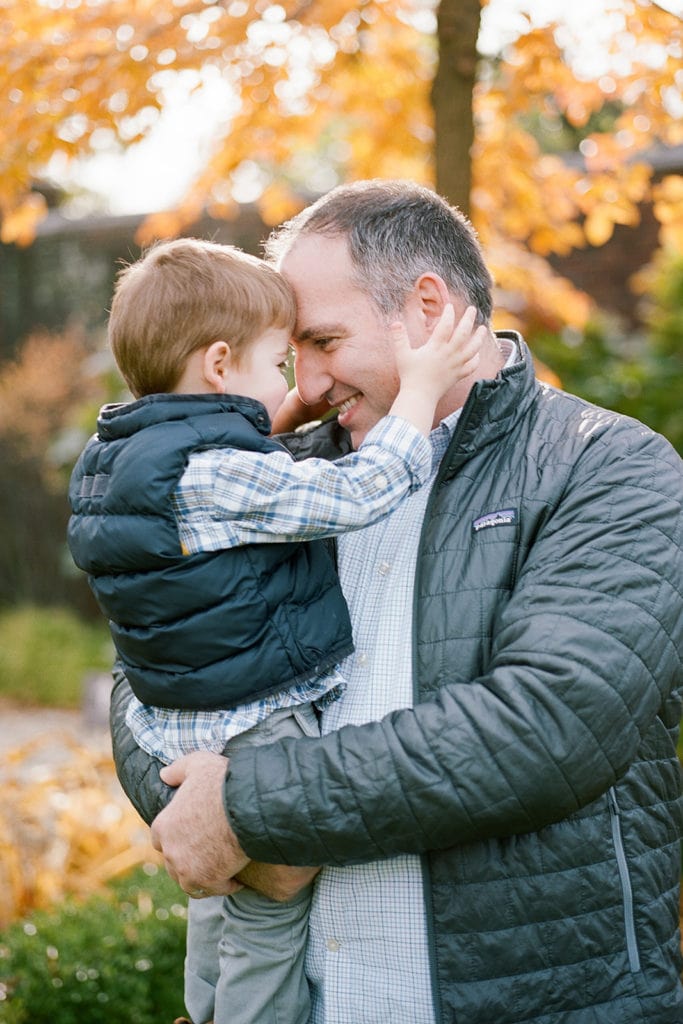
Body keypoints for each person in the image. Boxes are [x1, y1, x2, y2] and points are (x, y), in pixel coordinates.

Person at [110, 182, 683, 1024]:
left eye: (323, 341)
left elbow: (546, 726)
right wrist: (203, 820)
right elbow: (149, 662)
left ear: (424, 308)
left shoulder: (605, 467)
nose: (303, 378)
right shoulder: (280, 472)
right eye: (287, 350)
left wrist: (248, 811)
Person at [68, 236, 484, 1024]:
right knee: (270, 910)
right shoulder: (222, 471)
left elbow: (209, 530)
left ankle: (206, 1010)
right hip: (256, 722)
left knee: (216, 896)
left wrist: (274, 422)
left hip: (179, 731)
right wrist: (417, 396)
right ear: (221, 367)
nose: (293, 384)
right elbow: (357, 492)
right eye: (279, 365)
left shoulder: (111, 459)